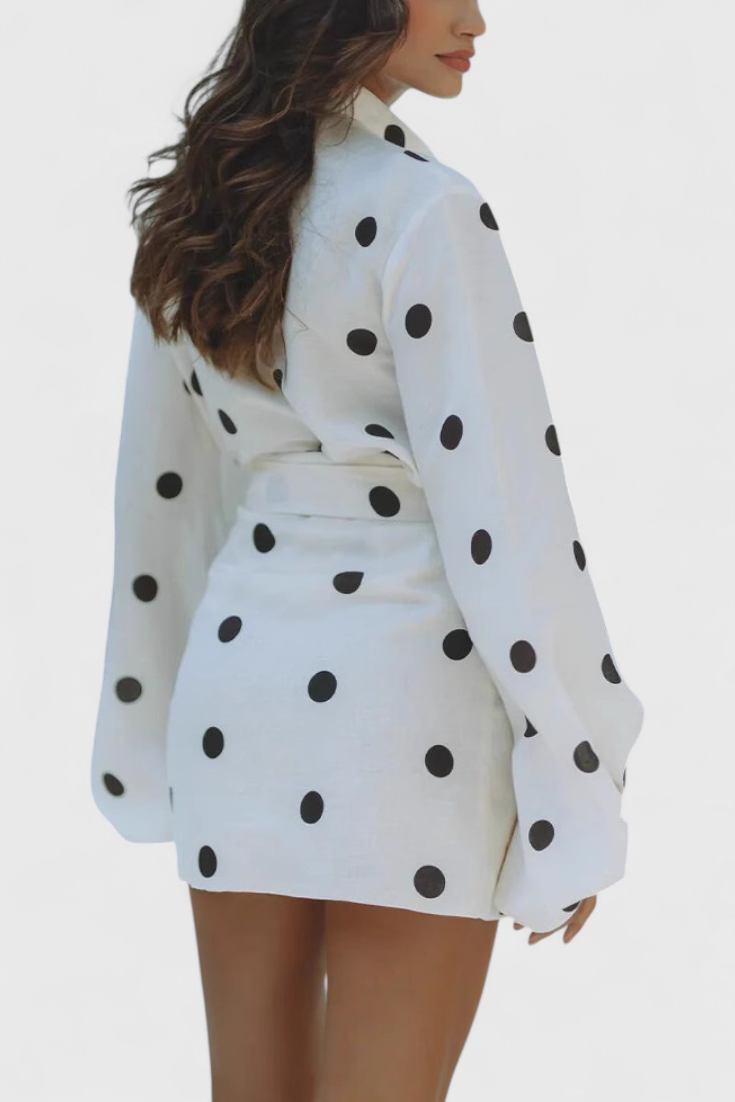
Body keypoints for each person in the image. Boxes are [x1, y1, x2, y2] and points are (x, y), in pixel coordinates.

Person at [90, 2, 644, 1099]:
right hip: (407, 703)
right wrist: (577, 768)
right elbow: (508, 517)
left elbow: (162, 500)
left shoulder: (198, 212)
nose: (476, 18)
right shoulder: (427, 211)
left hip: (237, 692)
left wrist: (143, 728)